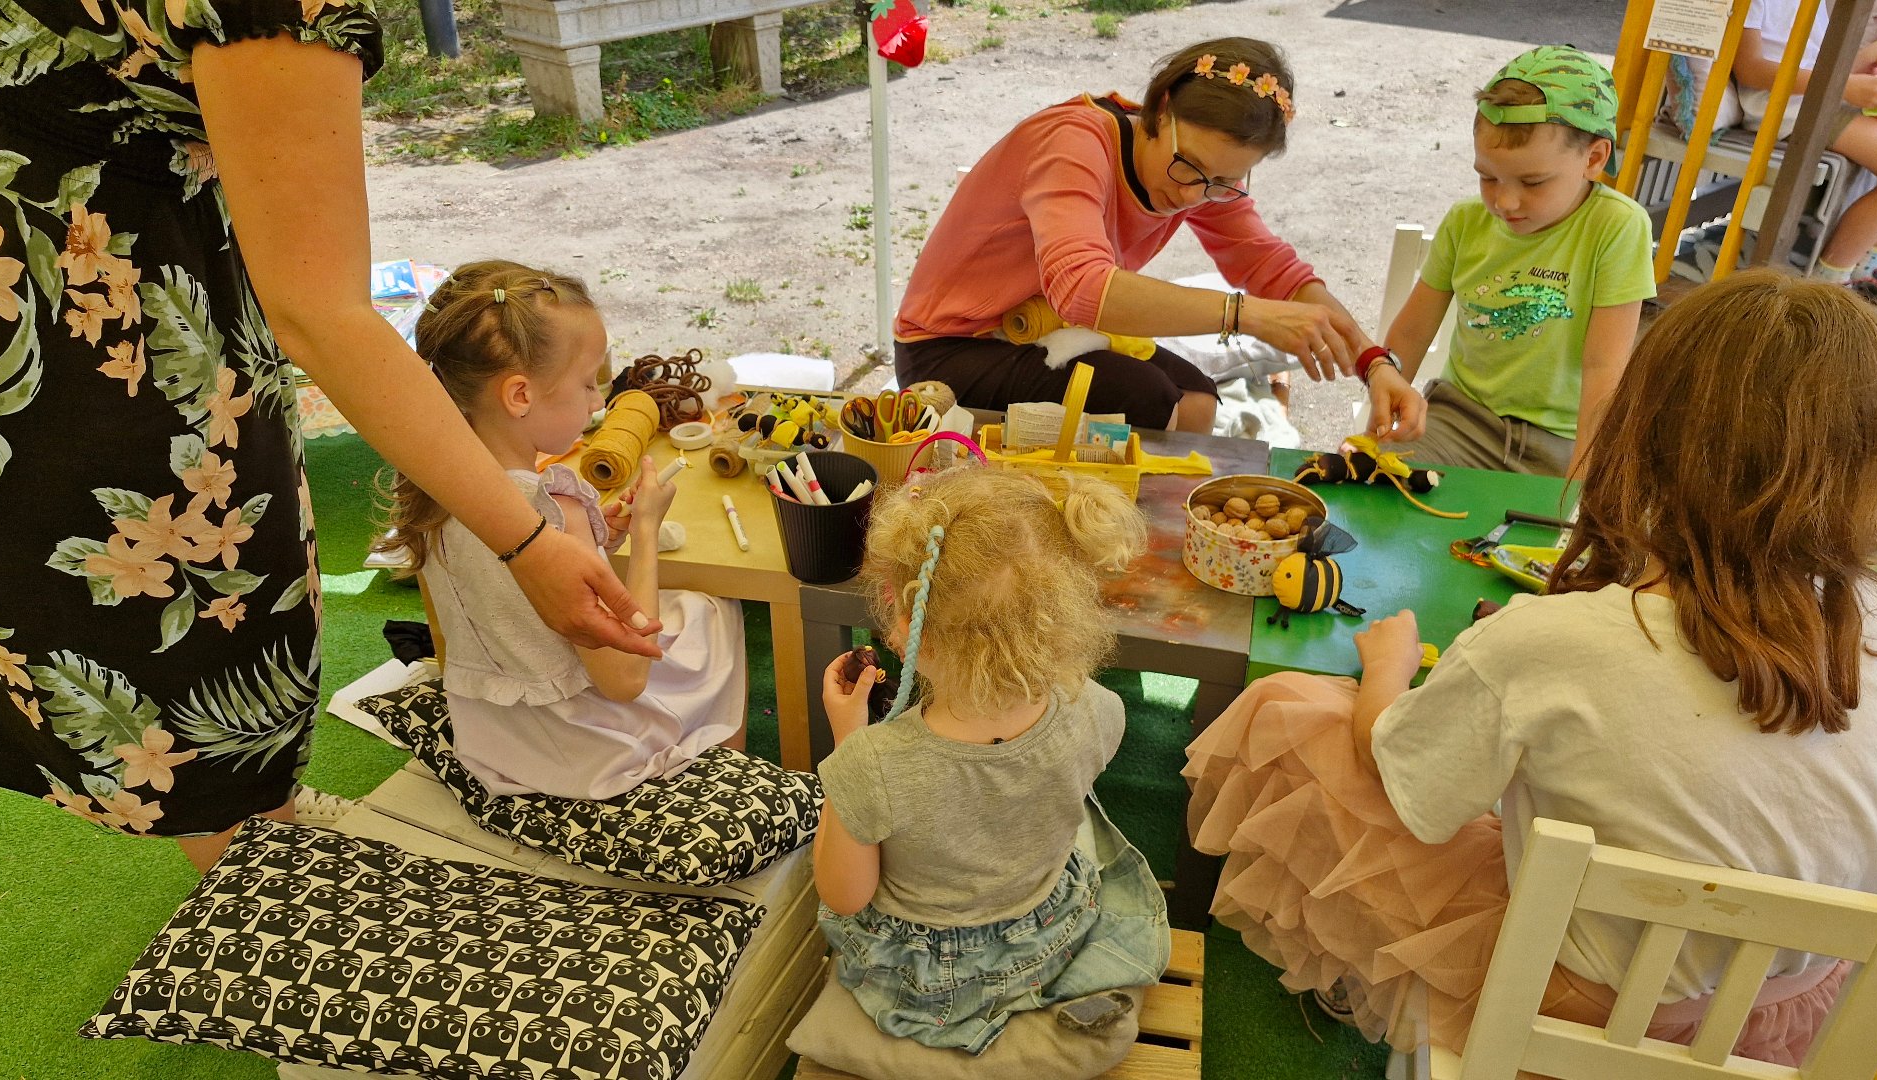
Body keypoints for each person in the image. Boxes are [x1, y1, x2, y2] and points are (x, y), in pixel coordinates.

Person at [0, 2, 657, 872]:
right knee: (208, 680)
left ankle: (260, 821)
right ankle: (256, 892)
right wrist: (527, 541)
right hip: (93, 355)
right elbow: (320, 310)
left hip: (17, 306)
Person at [1185, 270, 1877, 1065]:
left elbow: (1403, 778)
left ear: (1645, 435)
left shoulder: (1546, 641)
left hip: (1570, 1010)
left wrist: (1385, 670)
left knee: (1288, 711)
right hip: (1796, 1012)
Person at [893, 37, 1424, 439]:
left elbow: (1276, 271)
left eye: (1224, 182)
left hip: (1044, 335)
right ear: (1161, 107)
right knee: (1141, 398)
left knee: (1198, 397)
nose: (1194, 196)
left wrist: (1372, 363)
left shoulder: (1198, 179)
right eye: (1189, 167)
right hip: (946, 349)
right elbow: (1080, 288)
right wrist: (1246, 314)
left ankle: (1148, 533)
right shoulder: (1073, 142)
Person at [814, 467, 1171, 1054]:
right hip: (1047, 929)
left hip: (929, 976)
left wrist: (848, 737)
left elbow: (844, 894)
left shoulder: (870, 763)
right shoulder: (1100, 709)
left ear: (911, 634)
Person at [377, 261, 745, 799]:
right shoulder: (552, 509)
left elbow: (516, 602)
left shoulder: (436, 492)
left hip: (498, 744)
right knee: (712, 613)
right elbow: (624, 680)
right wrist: (644, 533)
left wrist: (600, 542)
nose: (599, 402)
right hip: (588, 754)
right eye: (587, 383)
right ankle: (720, 779)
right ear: (520, 395)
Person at [1381, 45, 1655, 478]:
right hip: (1457, 425)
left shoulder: (1617, 227)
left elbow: (1605, 368)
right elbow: (1411, 333)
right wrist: (1381, 421)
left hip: (1564, 444)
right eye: (1487, 177)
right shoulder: (1465, 221)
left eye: (1533, 181)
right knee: (1382, 492)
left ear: (1594, 158)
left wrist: (1581, 482)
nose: (1504, 201)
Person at [1734, 0, 1877, 292]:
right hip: (1784, 109)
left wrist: (1872, 56)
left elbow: (1817, 64)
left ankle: (1868, 277)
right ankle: (1830, 285)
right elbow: (1749, 69)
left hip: (1817, 101)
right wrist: (1844, 84)